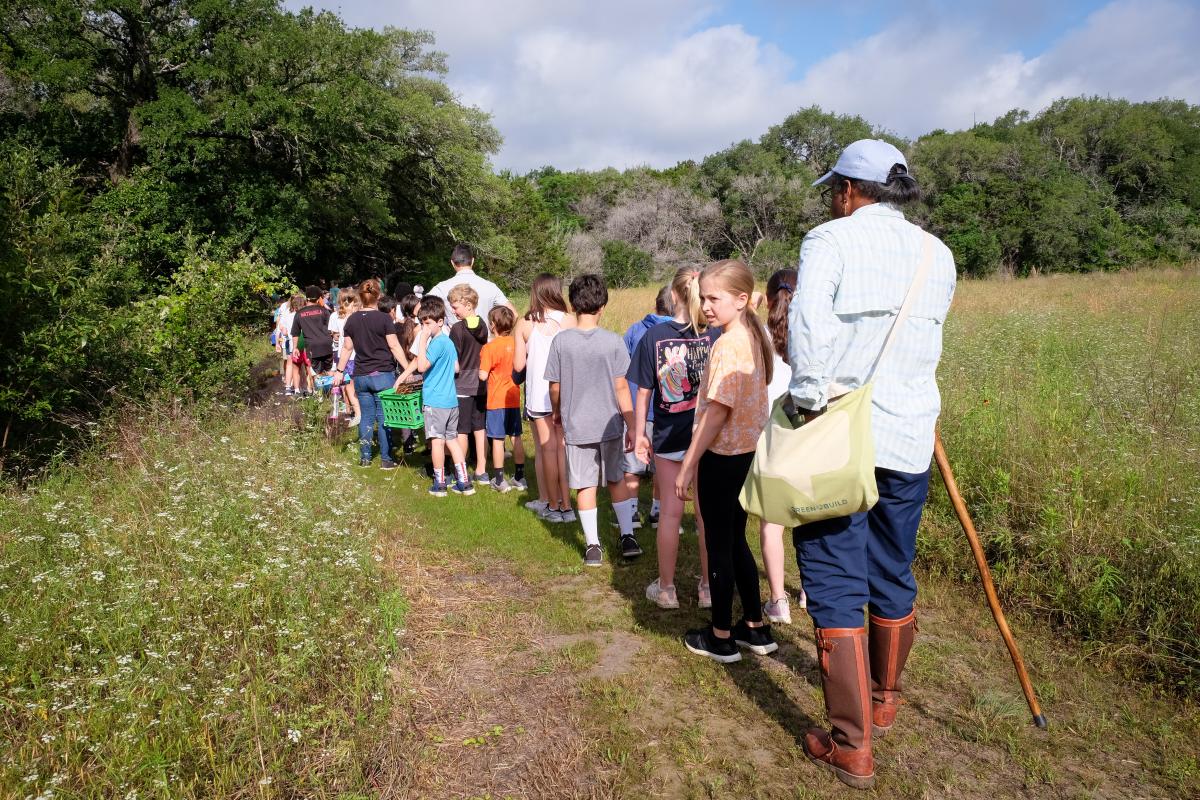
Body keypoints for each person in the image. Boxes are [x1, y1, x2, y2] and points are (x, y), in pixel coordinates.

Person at [789, 139, 956, 790]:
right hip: (911, 434)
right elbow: (926, 340)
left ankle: (850, 746)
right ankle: (883, 699)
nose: (834, 198)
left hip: (842, 432)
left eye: (837, 188)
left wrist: (806, 405)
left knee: (833, 575)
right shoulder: (936, 254)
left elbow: (809, 334)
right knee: (892, 564)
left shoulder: (829, 240)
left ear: (852, 191)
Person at [676, 259, 776, 664]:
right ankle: (754, 625)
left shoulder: (727, 344)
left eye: (714, 298)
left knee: (719, 543)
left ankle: (720, 636)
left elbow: (716, 412)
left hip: (724, 457)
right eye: (703, 299)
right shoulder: (752, 334)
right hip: (748, 453)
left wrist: (687, 465)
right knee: (736, 540)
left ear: (740, 299)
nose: (707, 307)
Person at [629, 268, 716, 610]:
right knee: (706, 516)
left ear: (674, 296)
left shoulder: (655, 336)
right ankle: (708, 588)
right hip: (707, 437)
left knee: (670, 514)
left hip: (668, 438)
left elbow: (643, 393)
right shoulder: (714, 336)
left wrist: (638, 434)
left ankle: (666, 589)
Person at [545, 274, 641, 567]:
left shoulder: (561, 342)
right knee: (616, 479)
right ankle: (627, 536)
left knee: (585, 485)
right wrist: (633, 424)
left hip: (577, 424)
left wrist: (557, 412)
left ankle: (593, 546)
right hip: (611, 424)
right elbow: (622, 386)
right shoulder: (613, 341)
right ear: (602, 306)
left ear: (573, 305)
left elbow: (555, 386)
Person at [760, 269, 807, 624]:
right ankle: (810, 589)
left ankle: (778, 600)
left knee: (772, 521)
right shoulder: (812, 332)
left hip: (773, 433)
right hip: (807, 432)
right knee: (810, 517)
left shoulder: (760, 336)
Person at [513, 274, 576, 523]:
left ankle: (551, 503)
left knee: (546, 449)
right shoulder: (570, 321)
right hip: (566, 393)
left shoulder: (525, 323)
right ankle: (567, 505)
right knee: (561, 448)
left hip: (539, 395)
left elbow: (518, 364)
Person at [331, 279, 413, 470]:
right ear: (378, 296)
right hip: (383, 374)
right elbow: (394, 346)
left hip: (361, 375)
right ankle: (386, 459)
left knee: (366, 417)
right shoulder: (384, 319)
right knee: (384, 417)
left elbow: (347, 348)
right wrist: (408, 367)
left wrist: (339, 371)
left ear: (360, 296)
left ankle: (365, 457)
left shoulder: (352, 320)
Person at [618, 284, 674, 529]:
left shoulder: (636, 330)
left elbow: (622, 365)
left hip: (636, 408)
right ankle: (657, 511)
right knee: (662, 465)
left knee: (632, 464)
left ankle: (630, 512)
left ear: (655, 304)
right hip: (667, 410)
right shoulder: (679, 332)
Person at [413, 295, 475, 496]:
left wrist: (422, 340)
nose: (425, 327)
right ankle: (464, 481)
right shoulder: (448, 343)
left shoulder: (436, 343)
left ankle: (439, 483)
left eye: (428, 323)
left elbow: (422, 366)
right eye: (422, 323)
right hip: (450, 401)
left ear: (440, 322)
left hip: (435, 401)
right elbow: (456, 368)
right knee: (452, 440)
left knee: (437, 442)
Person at [478, 306, 527, 493]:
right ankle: (520, 477)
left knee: (497, 439)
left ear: (492, 325)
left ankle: (499, 479)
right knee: (516, 437)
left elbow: (483, 376)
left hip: (496, 400)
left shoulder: (489, 348)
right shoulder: (517, 344)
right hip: (513, 397)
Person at [447, 285, 490, 482]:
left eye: (455, 307)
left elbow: (453, 359)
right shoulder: (483, 325)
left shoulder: (456, 329)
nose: (453, 311)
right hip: (482, 384)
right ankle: (481, 469)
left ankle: (461, 471)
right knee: (479, 428)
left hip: (462, 384)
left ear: (468, 304)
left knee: (462, 429)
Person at [426, 242, 516, 329]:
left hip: (455, 342)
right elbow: (514, 314)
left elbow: (419, 308)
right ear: (472, 261)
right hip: (486, 341)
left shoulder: (441, 288)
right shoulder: (490, 287)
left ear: (452, 263)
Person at [328, 289, 361, 426]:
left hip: (346, 356)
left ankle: (358, 413)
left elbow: (335, 335)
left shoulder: (336, 316)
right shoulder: (360, 315)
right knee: (356, 385)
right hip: (359, 355)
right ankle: (360, 412)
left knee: (349, 386)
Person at [292, 285, 334, 377]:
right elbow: (331, 329)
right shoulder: (324, 311)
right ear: (319, 298)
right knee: (330, 371)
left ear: (307, 298)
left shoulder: (299, 314)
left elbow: (295, 333)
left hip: (312, 347)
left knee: (317, 374)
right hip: (327, 345)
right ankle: (333, 391)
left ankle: (320, 391)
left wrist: (295, 348)